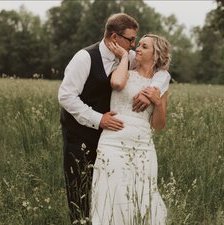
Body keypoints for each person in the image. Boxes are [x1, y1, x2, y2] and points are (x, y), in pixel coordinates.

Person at [58, 13, 170, 223]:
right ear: (113, 37)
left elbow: (161, 72)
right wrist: (99, 119)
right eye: (131, 40)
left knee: (123, 193)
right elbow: (65, 96)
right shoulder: (84, 58)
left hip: (115, 135)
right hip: (80, 134)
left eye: (137, 41)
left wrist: (153, 91)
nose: (134, 45)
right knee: (79, 191)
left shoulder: (130, 58)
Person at [90, 34, 170, 224]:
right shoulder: (125, 72)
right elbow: (116, 84)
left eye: (144, 46)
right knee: (111, 192)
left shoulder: (160, 85)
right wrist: (125, 56)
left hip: (143, 146)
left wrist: (158, 104)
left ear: (156, 55)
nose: (138, 49)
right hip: (113, 142)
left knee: (142, 193)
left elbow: (158, 126)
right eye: (138, 45)